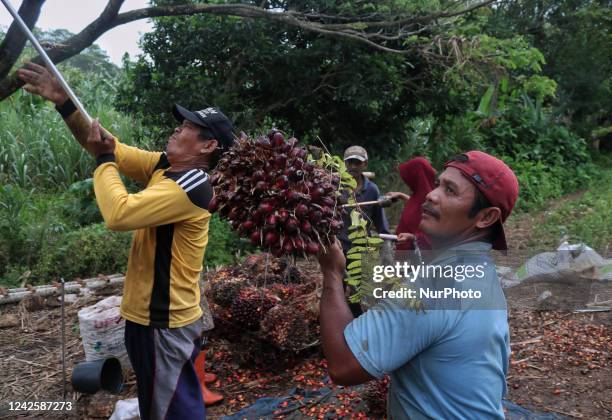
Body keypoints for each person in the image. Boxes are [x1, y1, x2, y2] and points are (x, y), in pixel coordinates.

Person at [18, 62, 233, 419]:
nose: (176, 131)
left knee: (172, 410)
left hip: (164, 322)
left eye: (186, 129)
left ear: (209, 145)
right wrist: (65, 103)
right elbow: (106, 146)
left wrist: (104, 161)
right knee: (159, 404)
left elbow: (119, 214)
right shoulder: (166, 166)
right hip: (147, 319)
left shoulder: (192, 184)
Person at [317, 151, 519, 419]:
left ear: (485, 217)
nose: (432, 195)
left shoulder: (439, 284)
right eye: (438, 184)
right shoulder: (482, 273)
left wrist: (332, 271)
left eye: (450, 190)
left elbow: (344, 365)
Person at [337, 145, 390, 316]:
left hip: (360, 247)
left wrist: (387, 242)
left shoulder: (372, 190)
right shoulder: (337, 188)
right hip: (339, 245)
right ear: (345, 163)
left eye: (357, 163)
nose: (353, 166)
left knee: (357, 292)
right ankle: (338, 320)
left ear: (365, 164)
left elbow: (380, 220)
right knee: (338, 287)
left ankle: (358, 321)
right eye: (350, 162)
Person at [387, 157, 436, 251]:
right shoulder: (420, 195)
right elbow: (418, 205)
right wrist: (401, 195)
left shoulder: (434, 204)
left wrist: (412, 237)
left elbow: (434, 237)